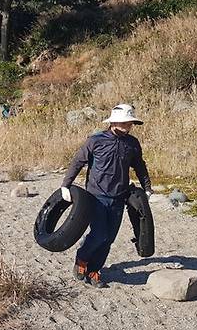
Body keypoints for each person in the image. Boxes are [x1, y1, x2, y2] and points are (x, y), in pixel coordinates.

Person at [60, 104, 152, 288]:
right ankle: (81, 260)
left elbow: (139, 166)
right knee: (99, 234)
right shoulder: (96, 140)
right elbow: (78, 162)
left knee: (109, 238)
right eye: (126, 123)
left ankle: (94, 270)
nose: (129, 126)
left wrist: (147, 188)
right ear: (114, 122)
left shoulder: (132, 144)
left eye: (130, 123)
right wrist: (65, 186)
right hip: (96, 197)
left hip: (119, 197)